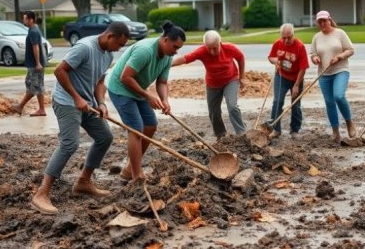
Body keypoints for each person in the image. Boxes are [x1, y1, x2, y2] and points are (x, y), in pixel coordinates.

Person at [30, 22, 130, 214]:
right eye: (119, 44)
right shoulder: (85, 48)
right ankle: (41, 193)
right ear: (110, 37)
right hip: (67, 101)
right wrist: (76, 98)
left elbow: (100, 81)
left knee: (105, 137)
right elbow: (59, 70)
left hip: (88, 103)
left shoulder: (108, 54)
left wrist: (100, 102)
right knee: (70, 143)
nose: (119, 49)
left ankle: (83, 182)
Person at [107, 20, 185, 182]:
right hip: (120, 88)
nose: (176, 52)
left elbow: (162, 82)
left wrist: (165, 100)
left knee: (150, 125)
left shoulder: (167, 56)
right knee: (136, 129)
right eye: (175, 47)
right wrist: (148, 96)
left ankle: (129, 168)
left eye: (179, 48)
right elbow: (125, 77)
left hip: (138, 90)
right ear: (165, 40)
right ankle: (136, 175)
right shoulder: (145, 51)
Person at [172, 30, 247, 139]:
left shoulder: (229, 48)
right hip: (213, 84)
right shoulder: (202, 51)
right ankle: (221, 136)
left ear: (220, 43)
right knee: (214, 112)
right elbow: (185, 59)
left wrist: (242, 77)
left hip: (230, 80)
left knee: (232, 107)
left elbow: (240, 58)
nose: (212, 51)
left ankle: (242, 133)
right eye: (209, 48)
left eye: (215, 48)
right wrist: (167, 64)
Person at [310, 10, 357, 144]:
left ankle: (349, 123)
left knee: (339, 96)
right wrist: (315, 58)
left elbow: (351, 50)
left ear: (330, 20)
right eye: (320, 21)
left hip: (340, 70)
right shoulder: (316, 37)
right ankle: (335, 131)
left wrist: (340, 56)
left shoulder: (340, 33)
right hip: (324, 73)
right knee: (329, 102)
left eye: (324, 20)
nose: (322, 23)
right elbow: (313, 53)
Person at [263, 23, 309, 138]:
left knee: (295, 104)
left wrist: (297, 85)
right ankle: (275, 128)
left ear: (293, 35)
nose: (286, 40)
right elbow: (271, 57)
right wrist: (275, 61)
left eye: (289, 37)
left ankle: (295, 130)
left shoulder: (300, 46)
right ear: (281, 36)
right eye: (284, 37)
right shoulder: (277, 44)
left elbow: (303, 68)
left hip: (296, 78)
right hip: (281, 76)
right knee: (277, 101)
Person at [11, 11, 47, 116]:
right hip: (35, 64)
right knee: (36, 85)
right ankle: (41, 109)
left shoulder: (33, 31)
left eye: (25, 19)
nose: (24, 20)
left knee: (34, 85)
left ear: (31, 19)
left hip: (35, 64)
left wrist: (38, 63)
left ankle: (20, 106)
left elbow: (35, 47)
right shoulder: (34, 29)